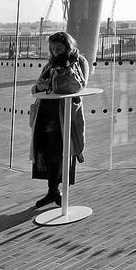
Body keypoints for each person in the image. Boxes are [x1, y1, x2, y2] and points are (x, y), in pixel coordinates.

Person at [29, 31, 89, 208]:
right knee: (46, 152)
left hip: (64, 113)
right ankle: (52, 191)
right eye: (53, 48)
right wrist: (43, 86)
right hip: (46, 112)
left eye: (59, 48)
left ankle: (56, 190)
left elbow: (76, 85)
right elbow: (37, 86)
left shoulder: (78, 62)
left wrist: (48, 84)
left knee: (59, 152)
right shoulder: (50, 64)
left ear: (68, 47)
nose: (55, 52)